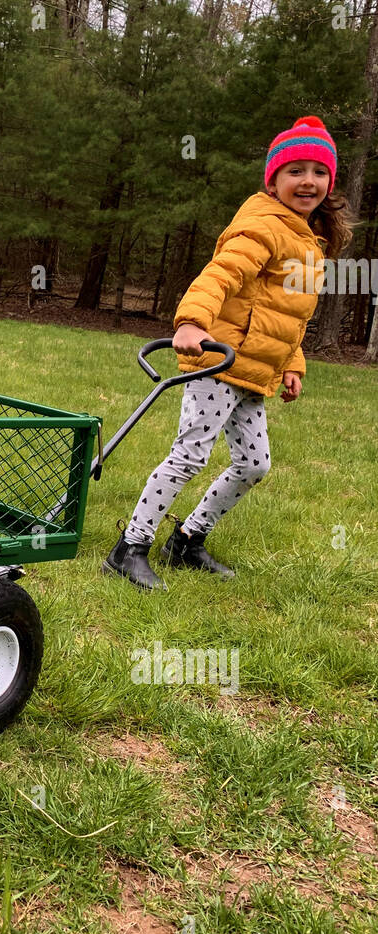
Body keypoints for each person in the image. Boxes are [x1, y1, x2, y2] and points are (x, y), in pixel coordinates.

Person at [104, 115, 352, 591]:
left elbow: (290, 314)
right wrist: (193, 321)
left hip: (255, 371)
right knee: (190, 456)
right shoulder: (262, 224)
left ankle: (187, 540)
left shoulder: (307, 239)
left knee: (254, 464)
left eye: (318, 172)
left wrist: (293, 365)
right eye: (295, 170)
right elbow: (222, 274)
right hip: (219, 361)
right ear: (274, 178)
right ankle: (129, 548)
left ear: (330, 181)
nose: (308, 181)